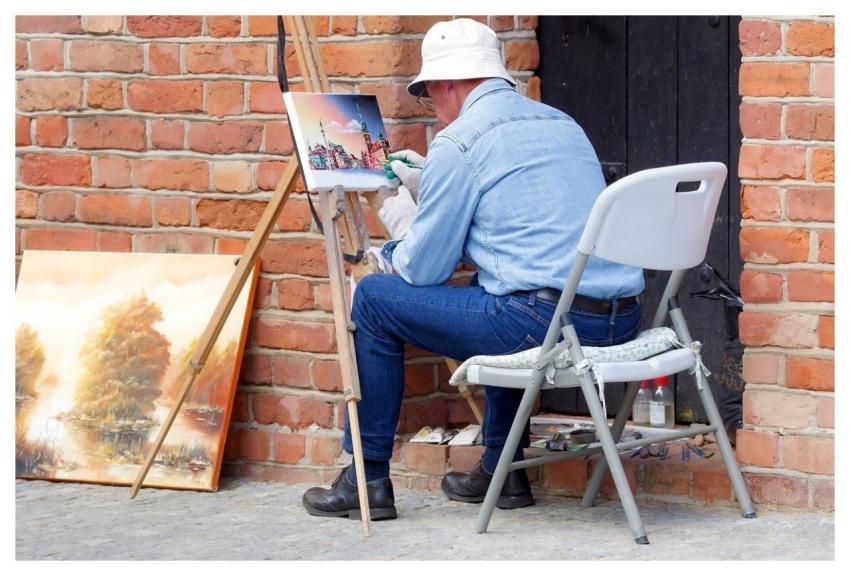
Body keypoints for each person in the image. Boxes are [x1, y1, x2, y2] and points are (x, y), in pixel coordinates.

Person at [301, 18, 645, 520]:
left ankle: (365, 479)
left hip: (544, 325)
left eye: (429, 98)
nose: (434, 111)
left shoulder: (459, 142)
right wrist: (430, 181)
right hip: (616, 321)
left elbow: (424, 270)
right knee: (500, 288)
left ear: (447, 85)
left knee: (375, 299)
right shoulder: (560, 122)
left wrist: (389, 205)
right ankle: (503, 472)